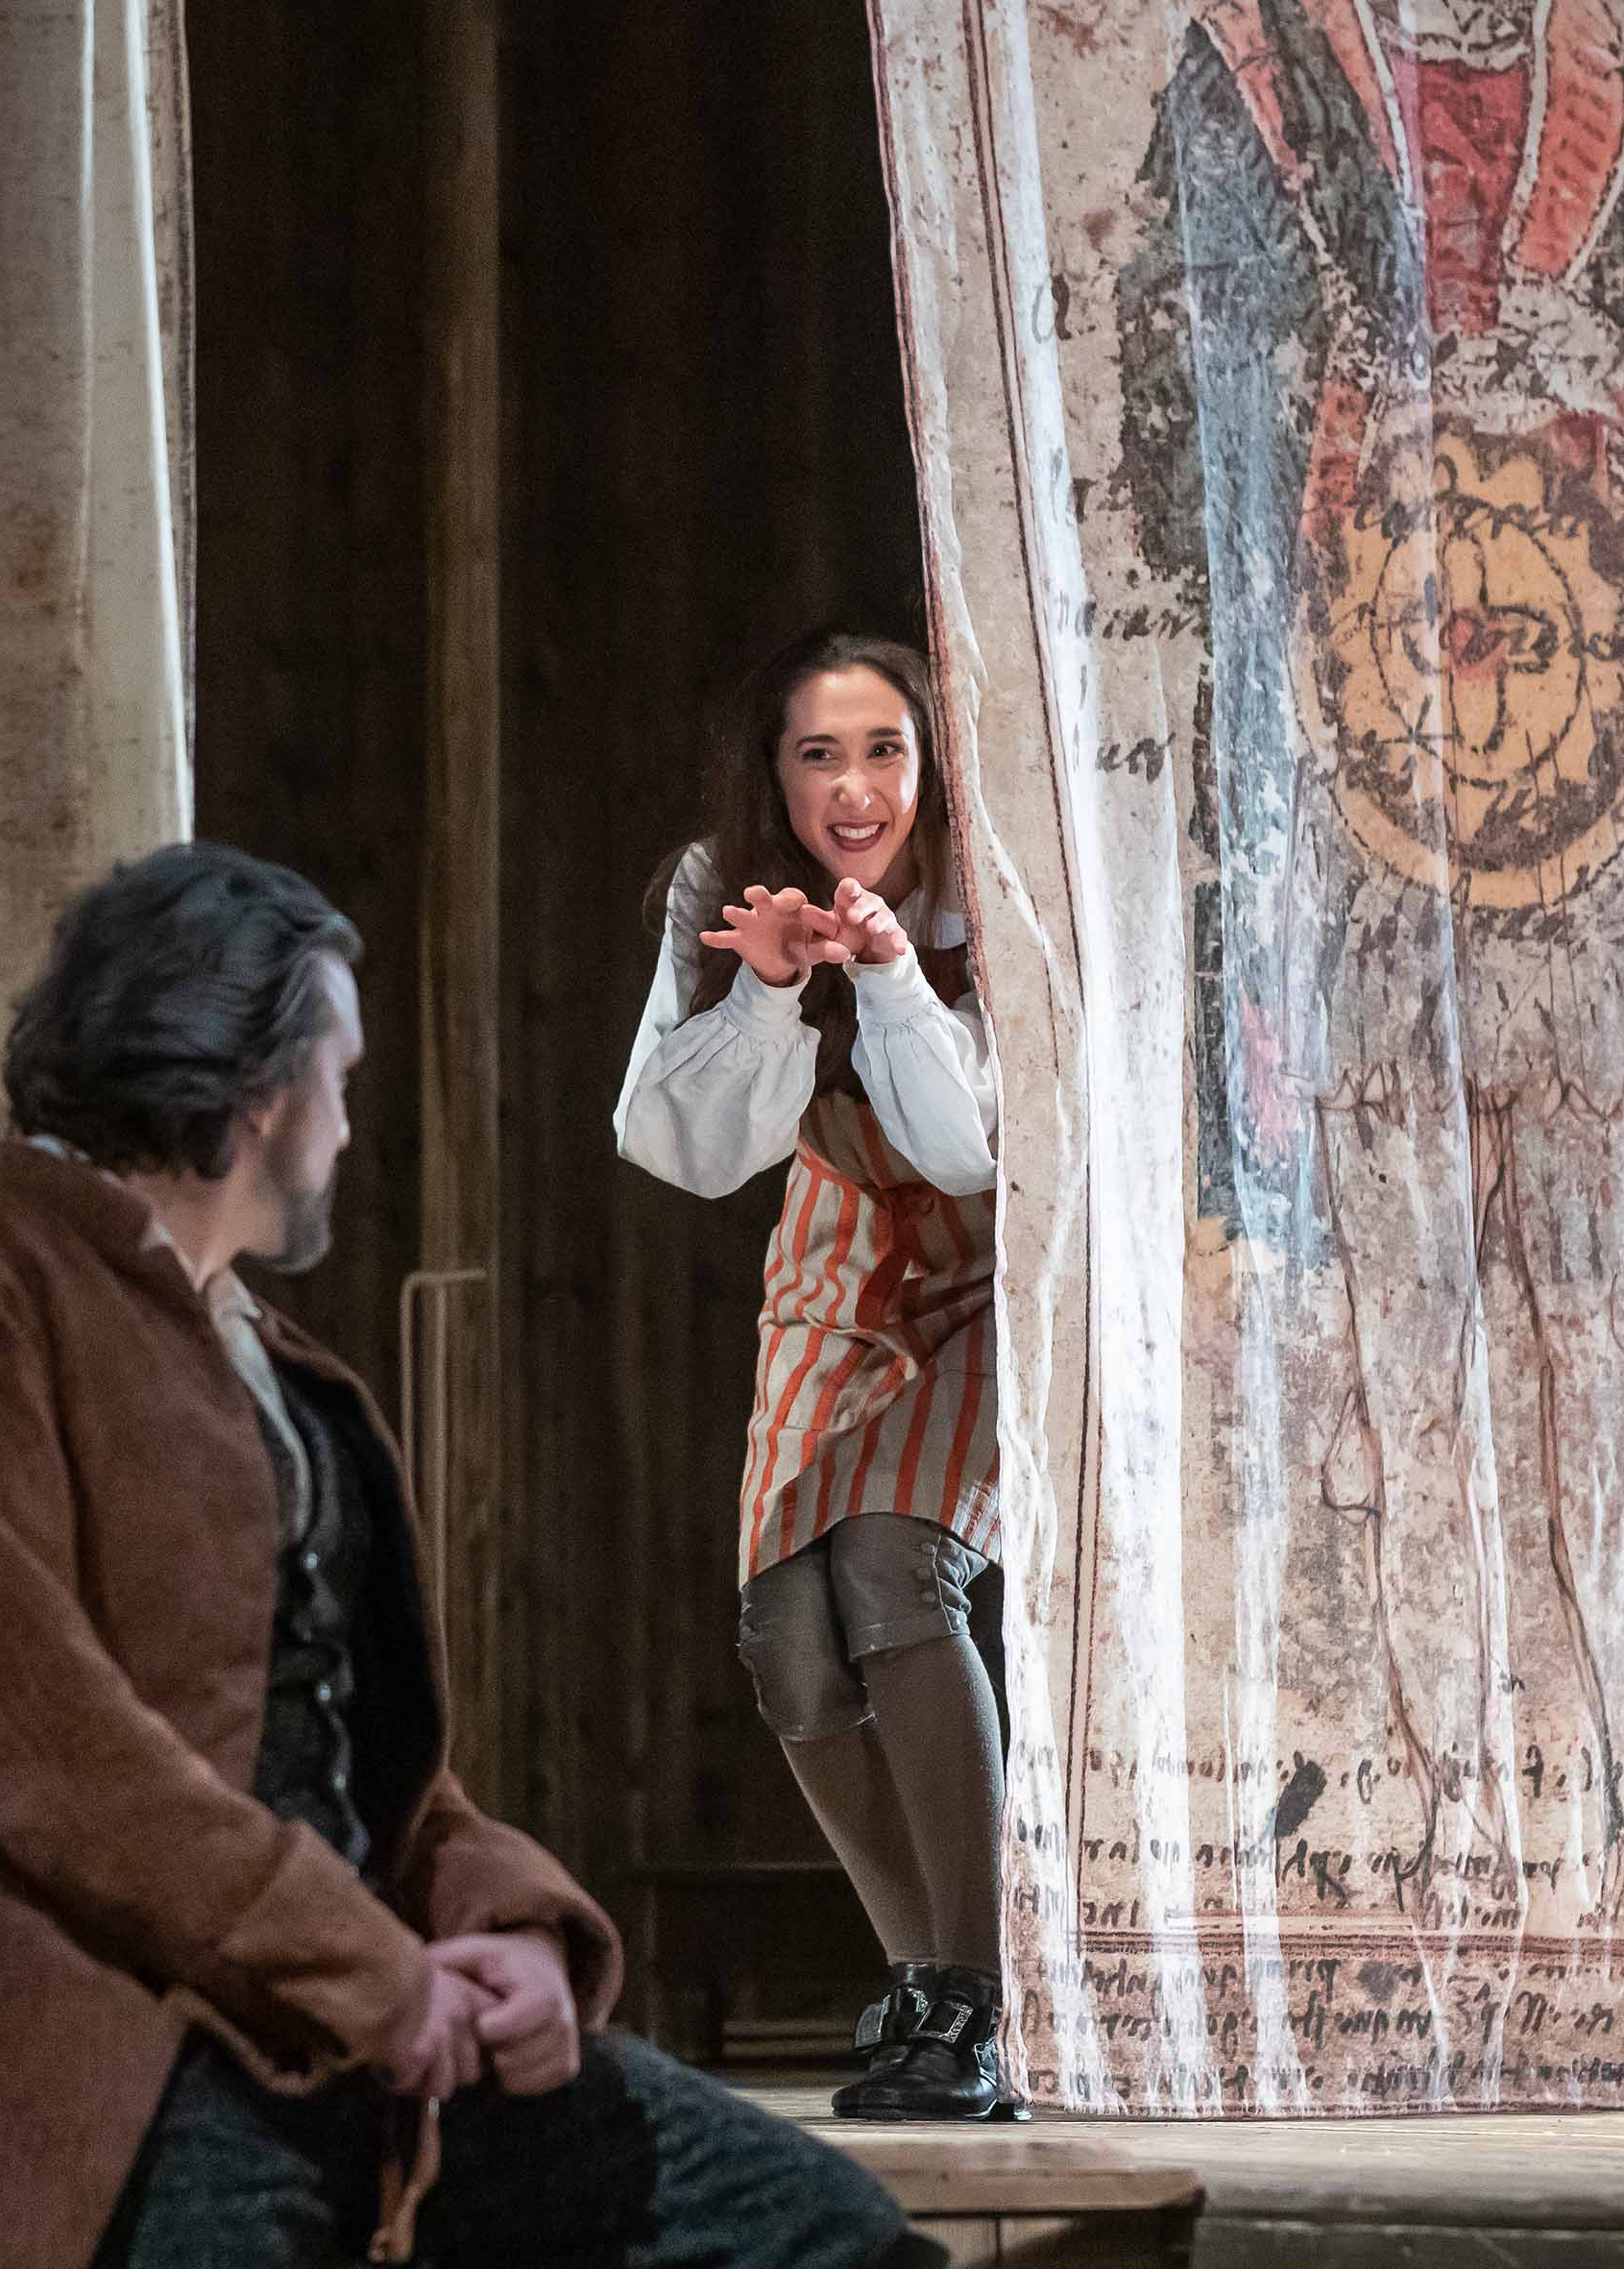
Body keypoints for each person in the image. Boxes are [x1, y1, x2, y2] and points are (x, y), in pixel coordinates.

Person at [0, 842, 942, 2269]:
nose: (345, 1127)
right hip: (108, 2060)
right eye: (340, 1078)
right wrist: (370, 1970)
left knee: (822, 2234)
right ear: (259, 1090)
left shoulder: (265, 1360)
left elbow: (361, 1764)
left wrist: (509, 1928)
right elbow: (35, 1741)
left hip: (346, 2035)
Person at [616, 626, 1019, 2122]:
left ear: (931, 760)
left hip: (992, 1262)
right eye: (819, 755)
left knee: (894, 1563)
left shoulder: (992, 877)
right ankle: (926, 1982)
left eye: (885, 750)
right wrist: (769, 991)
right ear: (774, 777)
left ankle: (974, 1993)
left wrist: (895, 975)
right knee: (788, 1628)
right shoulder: (715, 884)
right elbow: (679, 1146)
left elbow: (968, 1150)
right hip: (837, 1257)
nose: (856, 788)